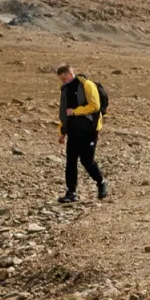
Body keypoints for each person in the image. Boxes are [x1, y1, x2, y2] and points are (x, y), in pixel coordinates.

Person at [55, 64, 107, 203]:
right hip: (73, 130)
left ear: (71, 74)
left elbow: (95, 106)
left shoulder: (87, 85)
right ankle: (71, 192)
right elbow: (64, 113)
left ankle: (101, 182)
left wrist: (76, 111)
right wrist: (62, 131)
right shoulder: (65, 90)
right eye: (61, 79)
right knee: (70, 161)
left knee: (87, 161)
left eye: (65, 78)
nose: (63, 81)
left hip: (89, 129)